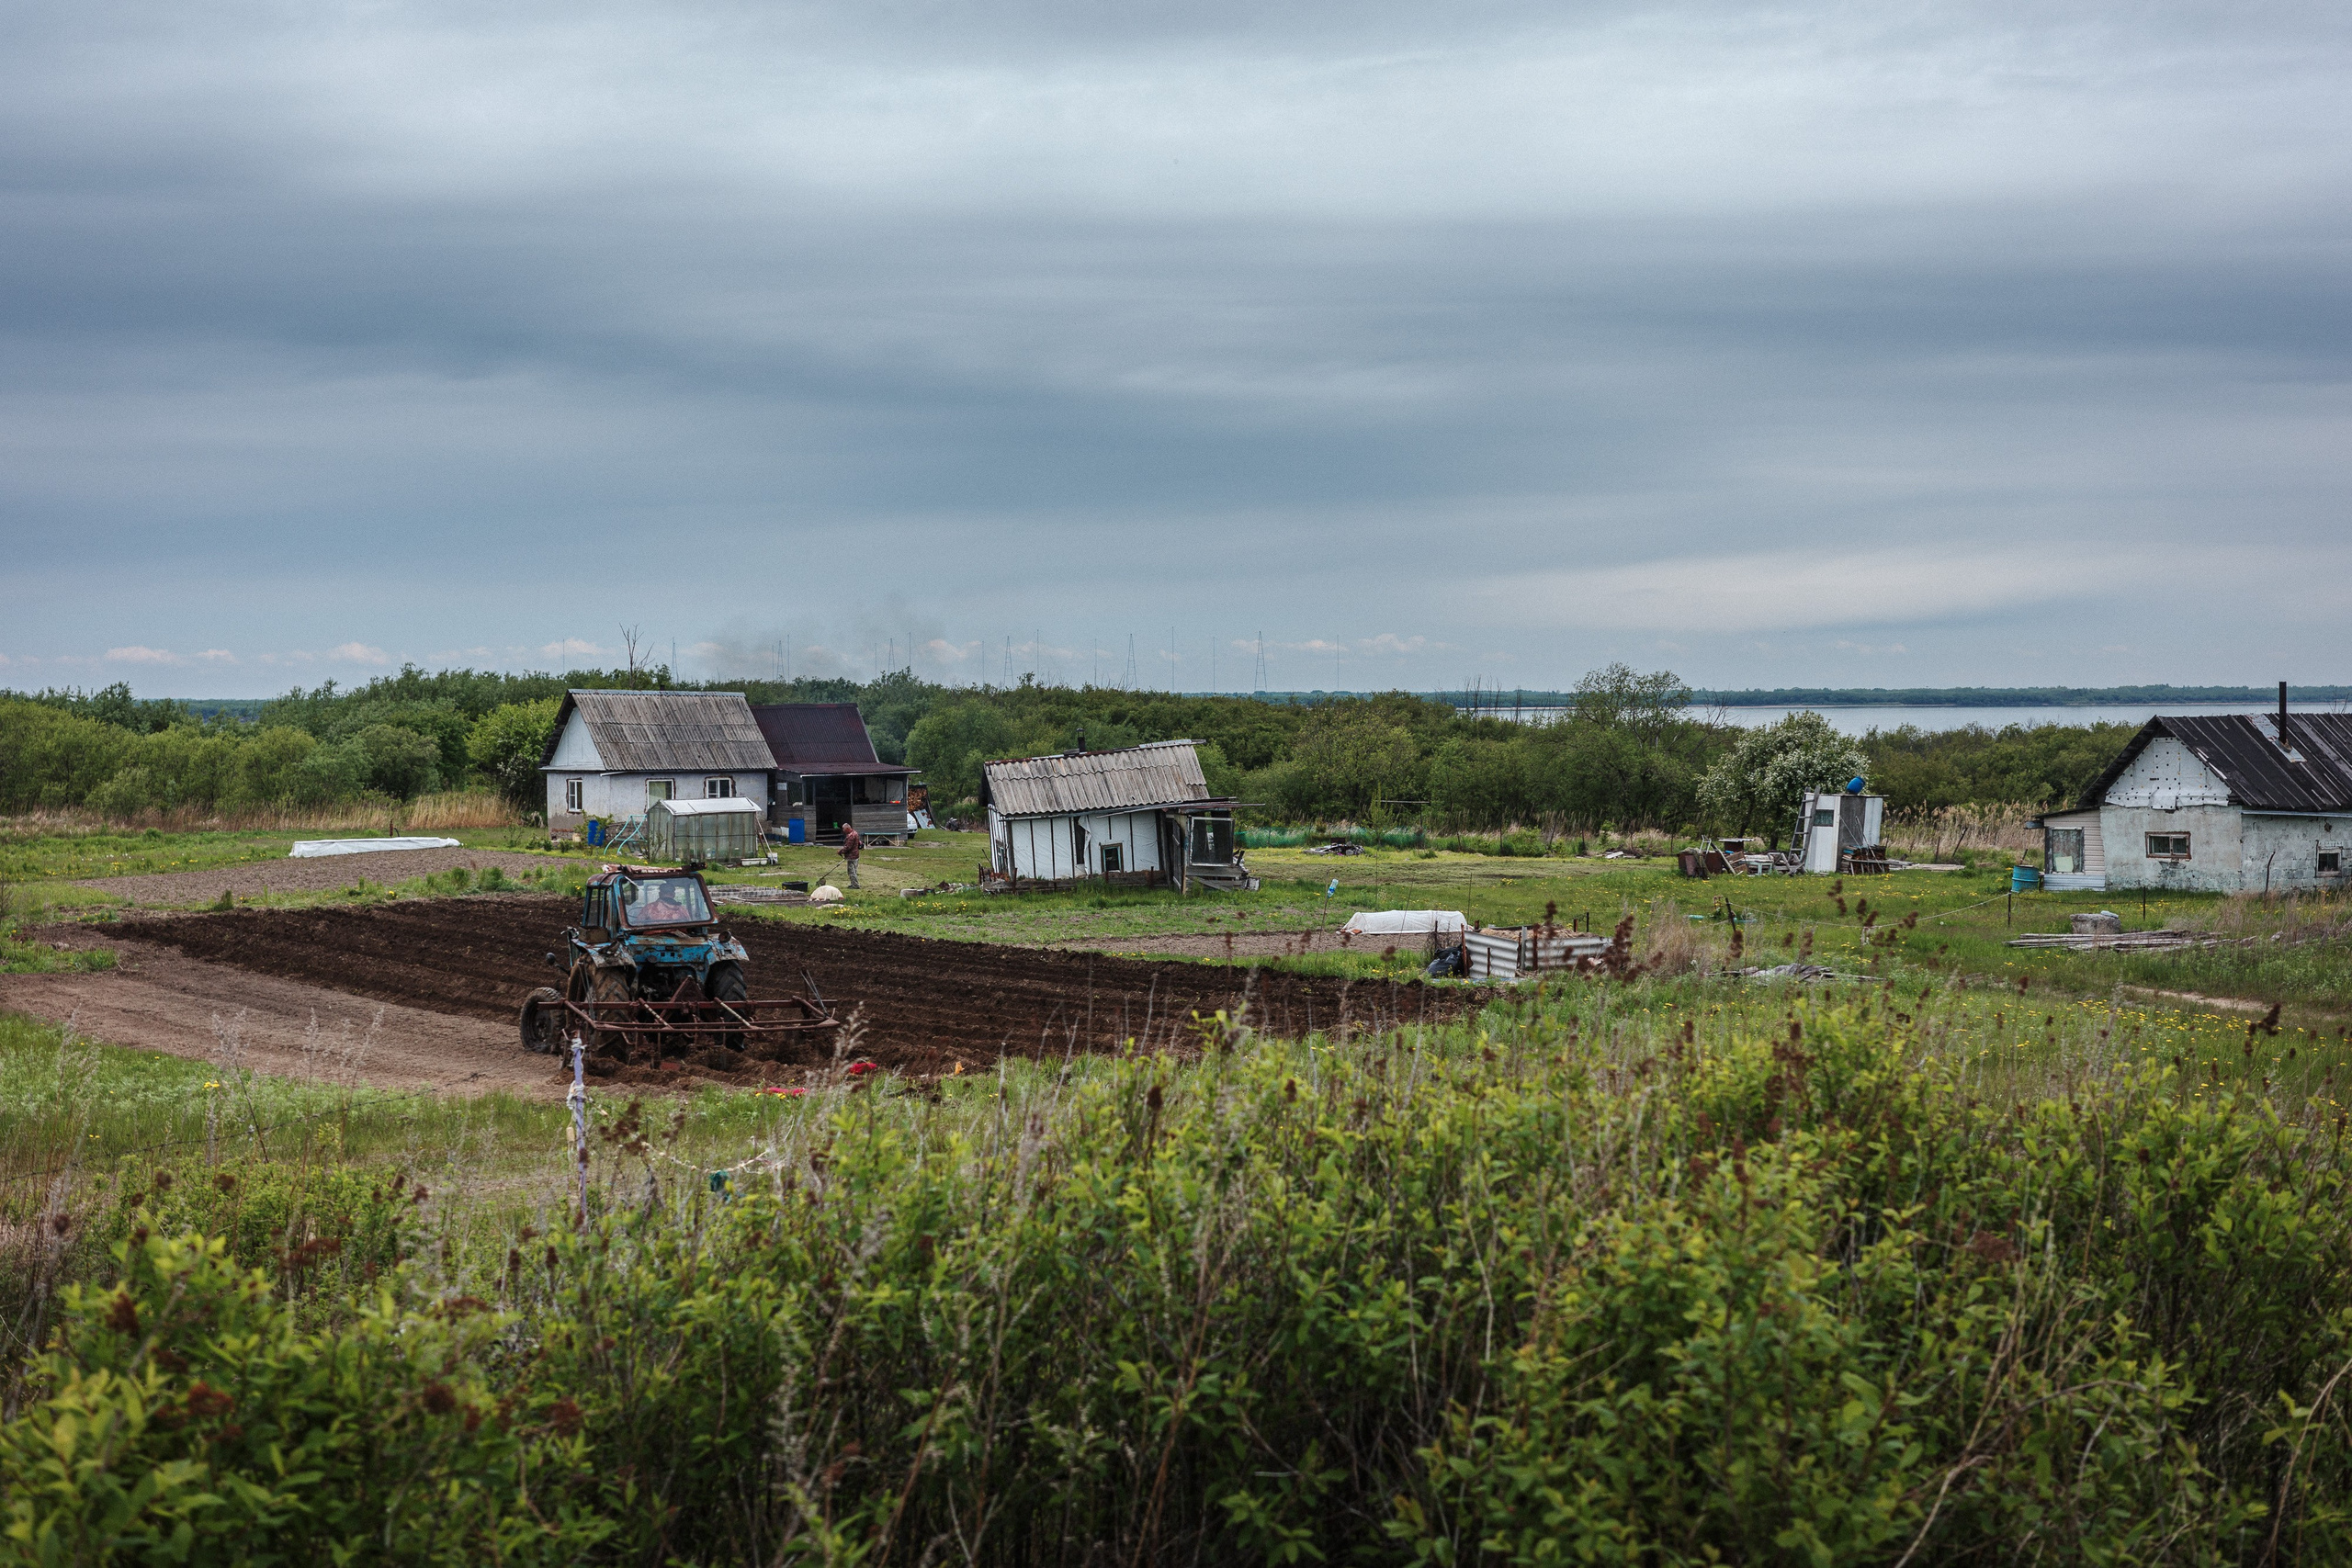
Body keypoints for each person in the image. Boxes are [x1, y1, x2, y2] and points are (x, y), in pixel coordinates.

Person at [838, 823, 863, 888]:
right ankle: (853, 883)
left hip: (852, 856)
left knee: (851, 871)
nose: (843, 831)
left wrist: (840, 851)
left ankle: (855, 885)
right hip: (856, 855)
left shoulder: (851, 836)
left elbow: (848, 847)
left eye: (844, 829)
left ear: (848, 828)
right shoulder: (855, 833)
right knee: (854, 870)